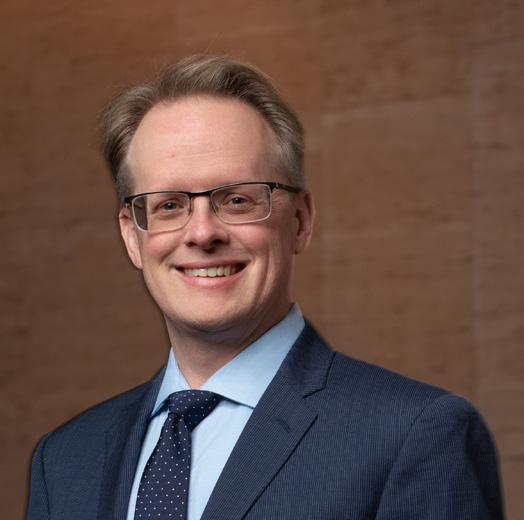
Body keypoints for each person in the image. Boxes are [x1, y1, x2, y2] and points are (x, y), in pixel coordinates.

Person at [27, 55, 505, 520]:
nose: (202, 233)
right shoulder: (64, 460)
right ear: (133, 236)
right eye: (169, 205)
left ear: (300, 221)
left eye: (237, 199)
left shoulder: (414, 435)